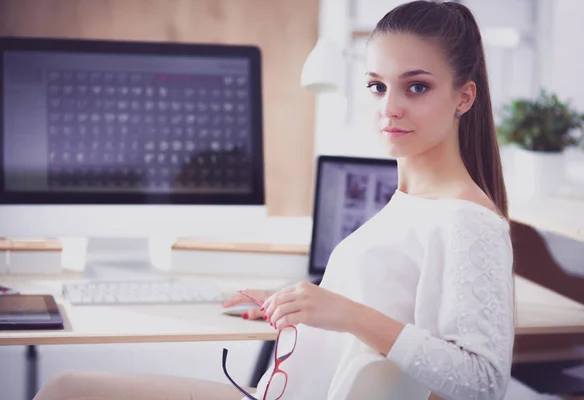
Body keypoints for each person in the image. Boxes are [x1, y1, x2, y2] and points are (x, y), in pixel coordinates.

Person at [33, 1, 514, 399]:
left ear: (463, 97)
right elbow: (383, 302)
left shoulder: (468, 221)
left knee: (66, 389)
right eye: (377, 86)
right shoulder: (414, 200)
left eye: (416, 86)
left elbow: (483, 382)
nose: (389, 107)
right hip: (276, 391)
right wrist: (299, 305)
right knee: (66, 387)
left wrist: (343, 312)